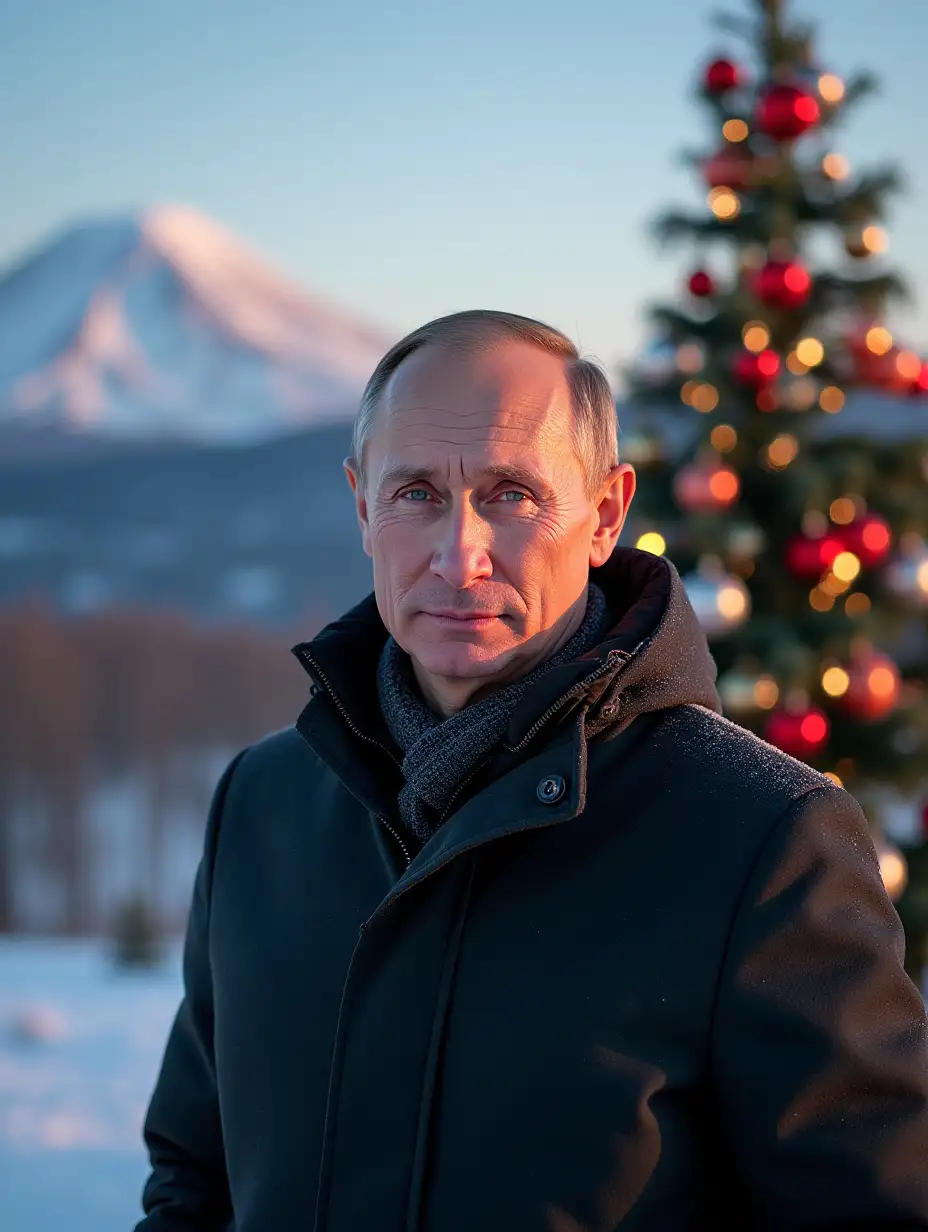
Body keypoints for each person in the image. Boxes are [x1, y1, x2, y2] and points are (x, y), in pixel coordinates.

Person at [135, 310, 928, 1232]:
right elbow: (193, 1179)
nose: (457, 553)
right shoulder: (263, 807)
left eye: (510, 493)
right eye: (417, 494)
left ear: (603, 516)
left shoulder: (763, 836)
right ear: (362, 508)